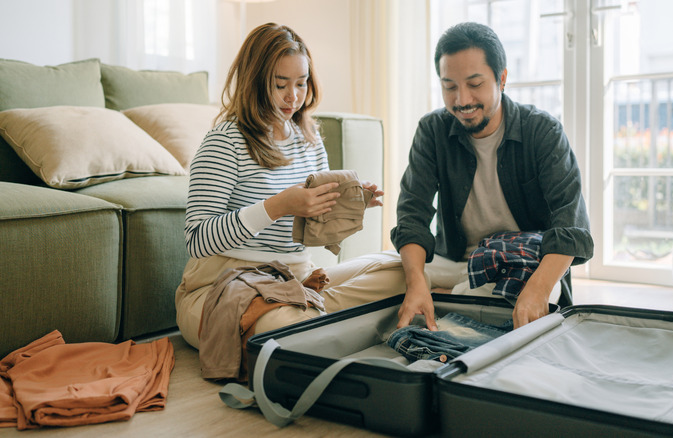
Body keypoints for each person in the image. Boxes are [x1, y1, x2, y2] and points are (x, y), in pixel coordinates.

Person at [175, 23, 405, 351]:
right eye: (280, 84)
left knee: (402, 270)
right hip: (224, 285)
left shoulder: (308, 139)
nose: (293, 96)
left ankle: (308, 319)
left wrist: (345, 202)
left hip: (296, 278)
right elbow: (198, 240)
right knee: (281, 325)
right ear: (254, 82)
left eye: (301, 83)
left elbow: (314, 227)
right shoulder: (224, 142)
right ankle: (316, 321)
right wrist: (278, 206)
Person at [391, 22, 593, 331]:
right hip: (454, 261)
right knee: (385, 273)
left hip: (517, 264)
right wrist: (416, 281)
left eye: (475, 84)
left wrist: (537, 291)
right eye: (449, 87)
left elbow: (572, 226)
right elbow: (413, 213)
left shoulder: (543, 131)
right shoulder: (432, 130)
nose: (462, 100)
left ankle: (447, 299)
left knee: (537, 286)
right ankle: (448, 300)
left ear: (502, 78)